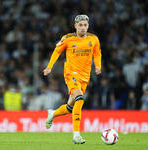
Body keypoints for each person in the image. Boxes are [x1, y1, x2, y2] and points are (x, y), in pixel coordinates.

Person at [43, 14, 102, 144]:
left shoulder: (94, 39)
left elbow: (97, 53)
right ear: (75, 26)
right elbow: (57, 51)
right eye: (80, 25)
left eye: (85, 25)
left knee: (70, 107)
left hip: (85, 76)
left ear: (88, 26)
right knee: (79, 99)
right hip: (71, 73)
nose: (83, 27)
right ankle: (76, 135)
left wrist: (98, 66)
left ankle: (52, 114)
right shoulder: (68, 38)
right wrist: (49, 67)